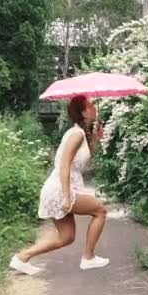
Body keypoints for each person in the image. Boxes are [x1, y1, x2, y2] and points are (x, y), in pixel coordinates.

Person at [9, 95, 109, 275]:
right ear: (83, 112)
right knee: (100, 210)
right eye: (91, 106)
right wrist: (66, 196)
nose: (95, 109)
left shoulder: (80, 132)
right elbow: (64, 165)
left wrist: (95, 138)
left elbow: (82, 162)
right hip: (60, 189)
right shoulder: (76, 134)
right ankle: (89, 257)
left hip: (63, 187)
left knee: (66, 237)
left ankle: (22, 258)